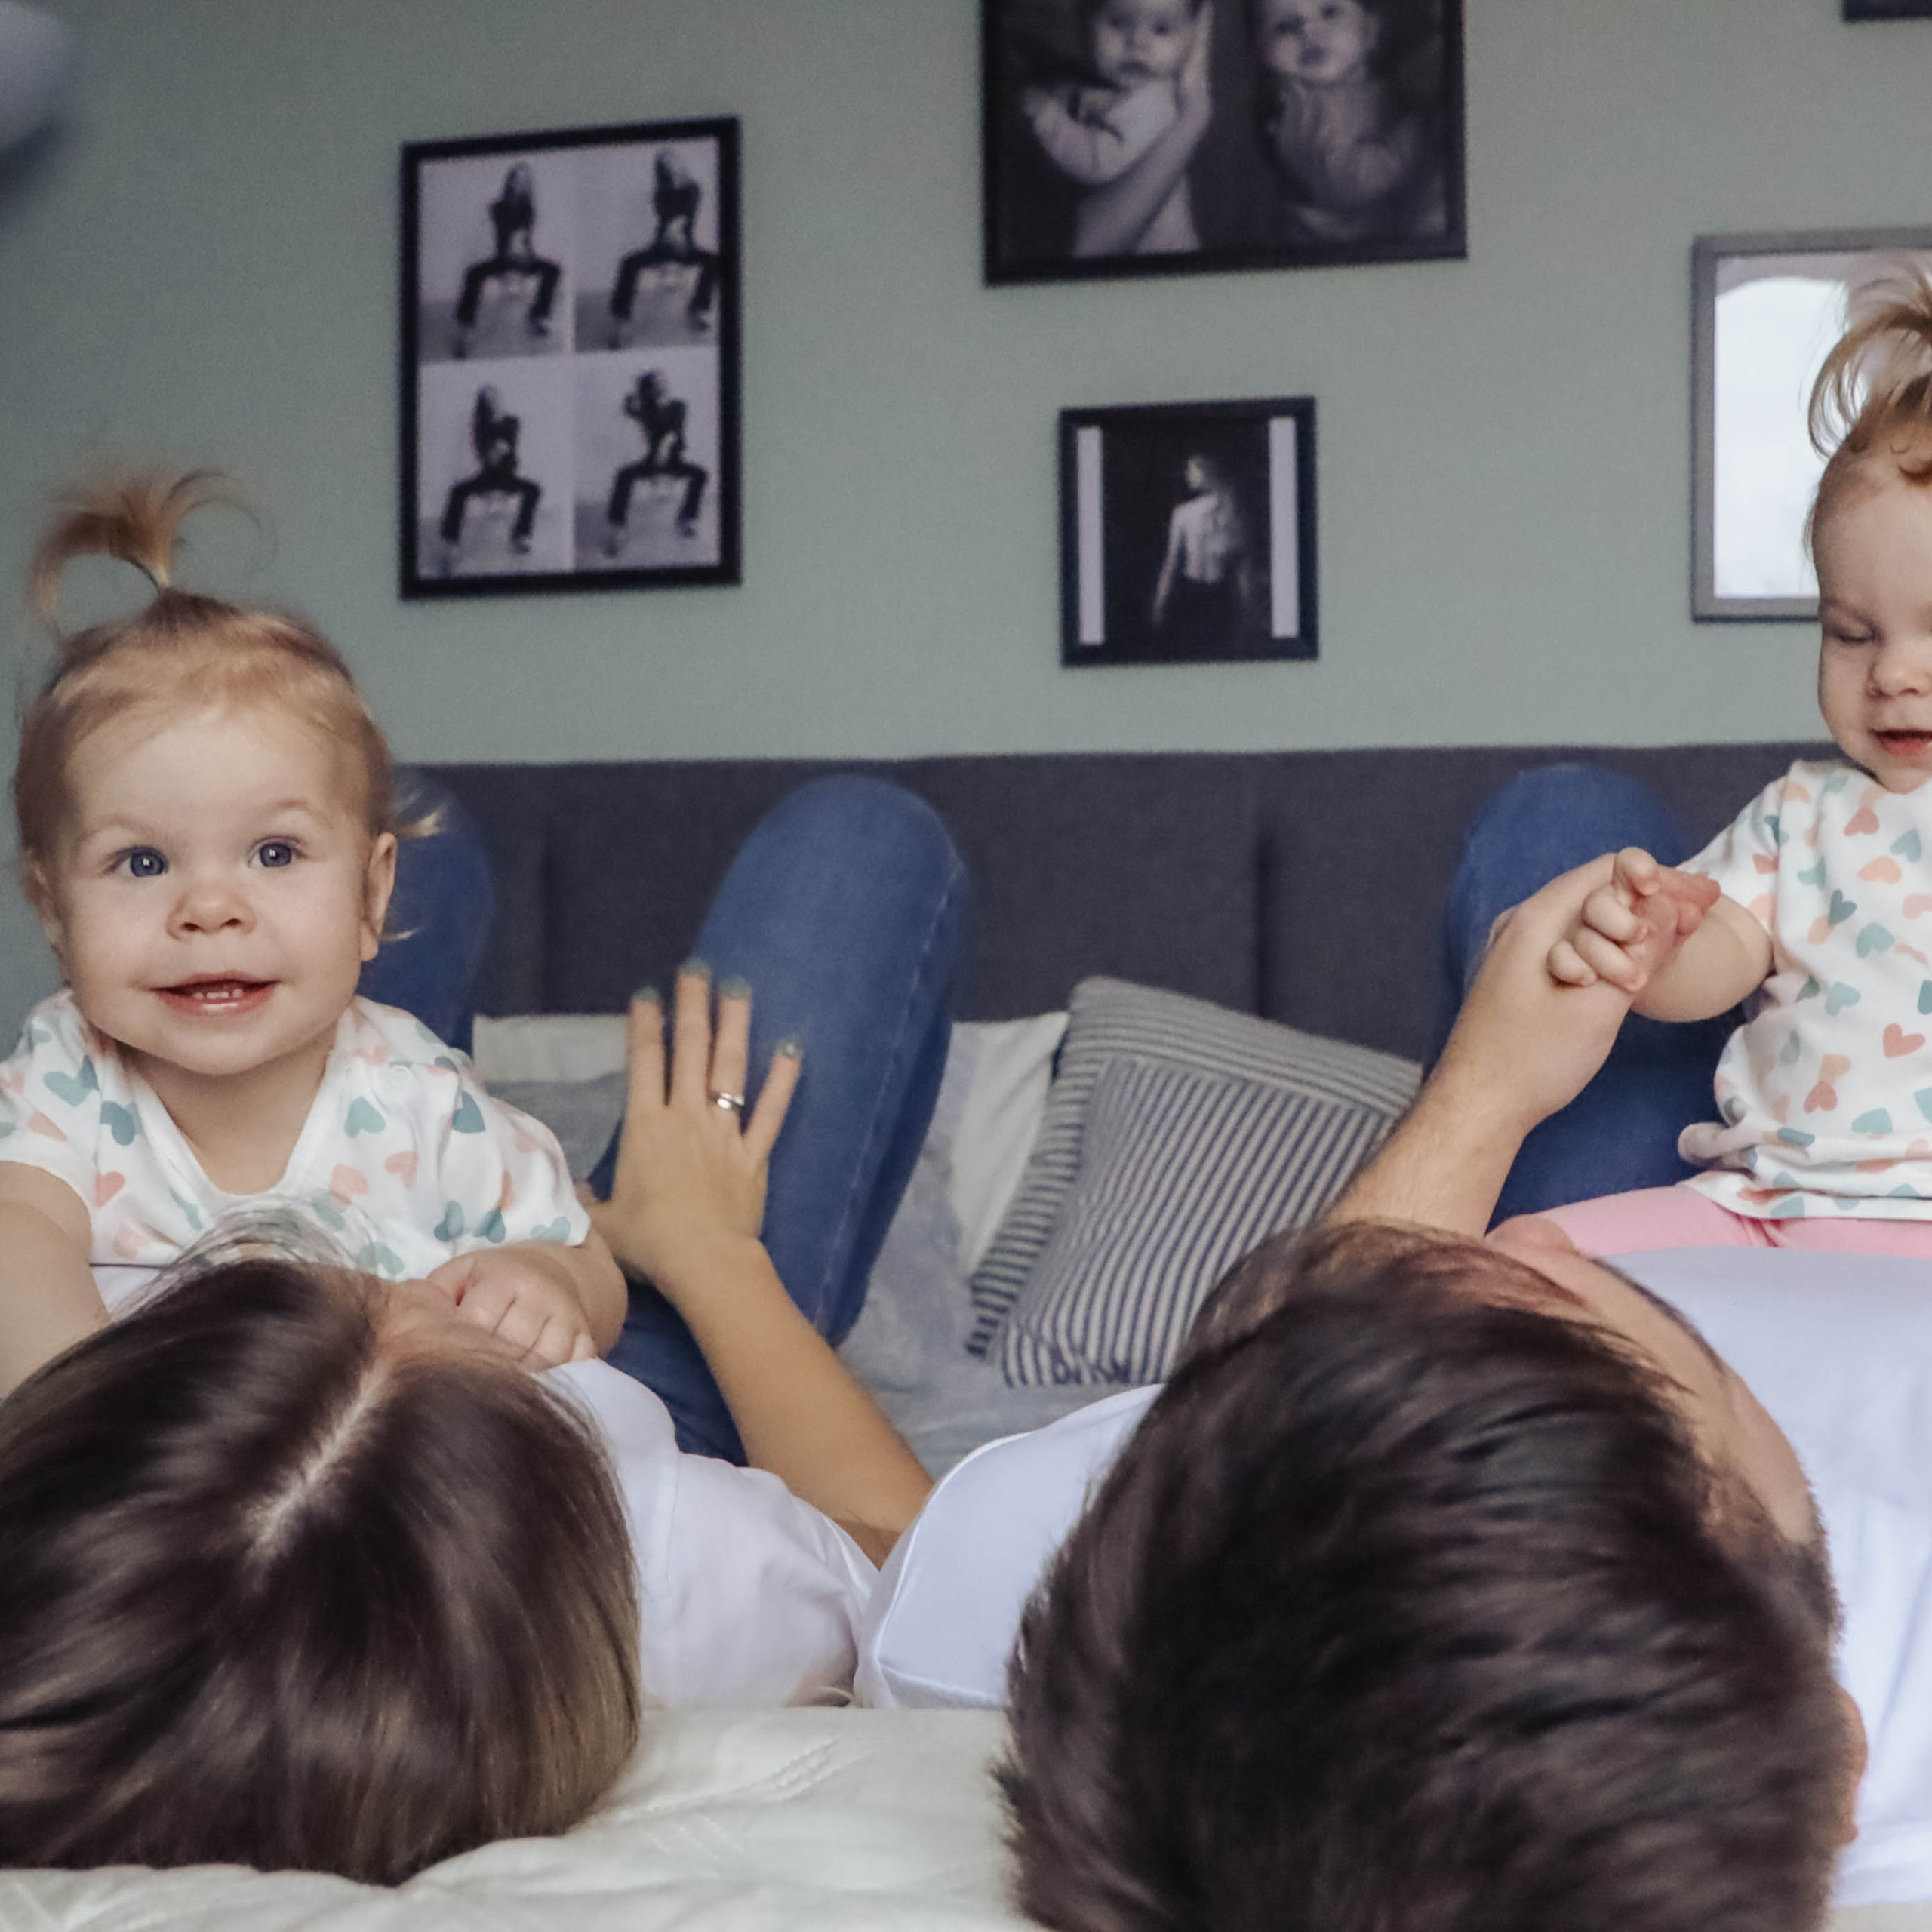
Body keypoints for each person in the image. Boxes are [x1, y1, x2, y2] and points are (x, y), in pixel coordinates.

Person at [995, 852, 1865, 1932]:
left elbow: (1260, 1423)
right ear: (1845, 1768)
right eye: (1679, 1353)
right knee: (1568, 838)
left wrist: (1481, 1096)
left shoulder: (1034, 1562)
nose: (1535, 1234)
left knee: (1567, 861)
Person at [0, 971, 936, 1882]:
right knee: (842, 884)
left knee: (350, 934)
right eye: (410, 1297)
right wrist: (709, 1251)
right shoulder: (658, 1555)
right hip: (652, 1364)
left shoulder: (69, 1363)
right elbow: (907, 1563)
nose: (413, 1275)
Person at [0, 472, 620, 1401]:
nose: (210, 909)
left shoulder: (420, 1097)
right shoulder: (68, 1073)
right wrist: (80, 1413)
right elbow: (17, 1236)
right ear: (53, 911)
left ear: (372, 895)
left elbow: (582, 1255)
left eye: (275, 852)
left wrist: (547, 1281)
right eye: (142, 862)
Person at [1520, 269, 1932, 1257]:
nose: (1893, 675)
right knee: (1523, 1257)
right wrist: (1651, 947)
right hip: (1761, 1213)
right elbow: (1722, 959)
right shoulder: (1800, 813)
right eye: (1851, 634)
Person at [1251, 0, 1447, 245]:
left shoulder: (1377, 87)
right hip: (1334, 245)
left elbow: (1417, 81)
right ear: (1259, 52)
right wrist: (1417, 134)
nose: (1308, 31)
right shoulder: (1300, 109)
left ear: (1370, 31)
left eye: (1329, 12)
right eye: (1284, 27)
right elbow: (1351, 183)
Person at [1022, 0, 1207, 257]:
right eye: (1118, 23)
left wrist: (1046, 117)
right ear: (1086, 23)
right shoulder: (1125, 91)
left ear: (1192, 38)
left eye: (1161, 30)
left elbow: (1097, 162)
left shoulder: (1155, 103)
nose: (1138, 43)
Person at [607, 150, 722, 344]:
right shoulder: (660, 194)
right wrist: (670, 232)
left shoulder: (693, 189)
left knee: (714, 261)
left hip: (686, 248)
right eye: (666, 167)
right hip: (661, 247)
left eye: (673, 164)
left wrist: (677, 229)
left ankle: (699, 309)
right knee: (628, 263)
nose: (671, 169)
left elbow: (687, 210)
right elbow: (667, 221)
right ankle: (621, 321)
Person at [451, 161, 562, 358]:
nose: (520, 184)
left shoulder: (529, 210)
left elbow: (530, 240)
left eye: (524, 181)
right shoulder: (495, 208)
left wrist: (527, 254)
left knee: (553, 270)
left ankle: (537, 317)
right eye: (517, 179)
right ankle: (465, 332)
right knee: (473, 273)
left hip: (524, 259)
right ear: (509, 182)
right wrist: (505, 253)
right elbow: (483, 238)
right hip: (501, 259)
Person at [1149, 450, 1253, 649]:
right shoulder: (1184, 513)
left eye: (1192, 469)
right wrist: (1160, 602)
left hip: (1221, 596)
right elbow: (1171, 565)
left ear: (1207, 471)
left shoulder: (1233, 513)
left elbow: (1243, 568)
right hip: (1192, 594)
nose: (1187, 474)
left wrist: (1248, 612)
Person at [603, 368, 707, 550]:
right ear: (650, 387)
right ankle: (617, 529)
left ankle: (685, 519)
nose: (663, 384)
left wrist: (662, 458)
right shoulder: (646, 410)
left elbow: (673, 434)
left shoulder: (678, 406)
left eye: (663, 381)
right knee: (623, 476)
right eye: (657, 382)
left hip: (672, 461)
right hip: (650, 462)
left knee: (700, 474)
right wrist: (633, 396)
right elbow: (628, 409)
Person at [438, 386, 542, 564]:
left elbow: (507, 447)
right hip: (486, 479)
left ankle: (521, 536)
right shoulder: (481, 429)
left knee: (533, 490)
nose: (494, 405)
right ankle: (451, 543)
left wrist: (498, 447)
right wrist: (495, 448)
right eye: (489, 402)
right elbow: (490, 456)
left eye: (495, 400)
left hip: (508, 479)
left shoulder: (511, 421)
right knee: (457, 492)